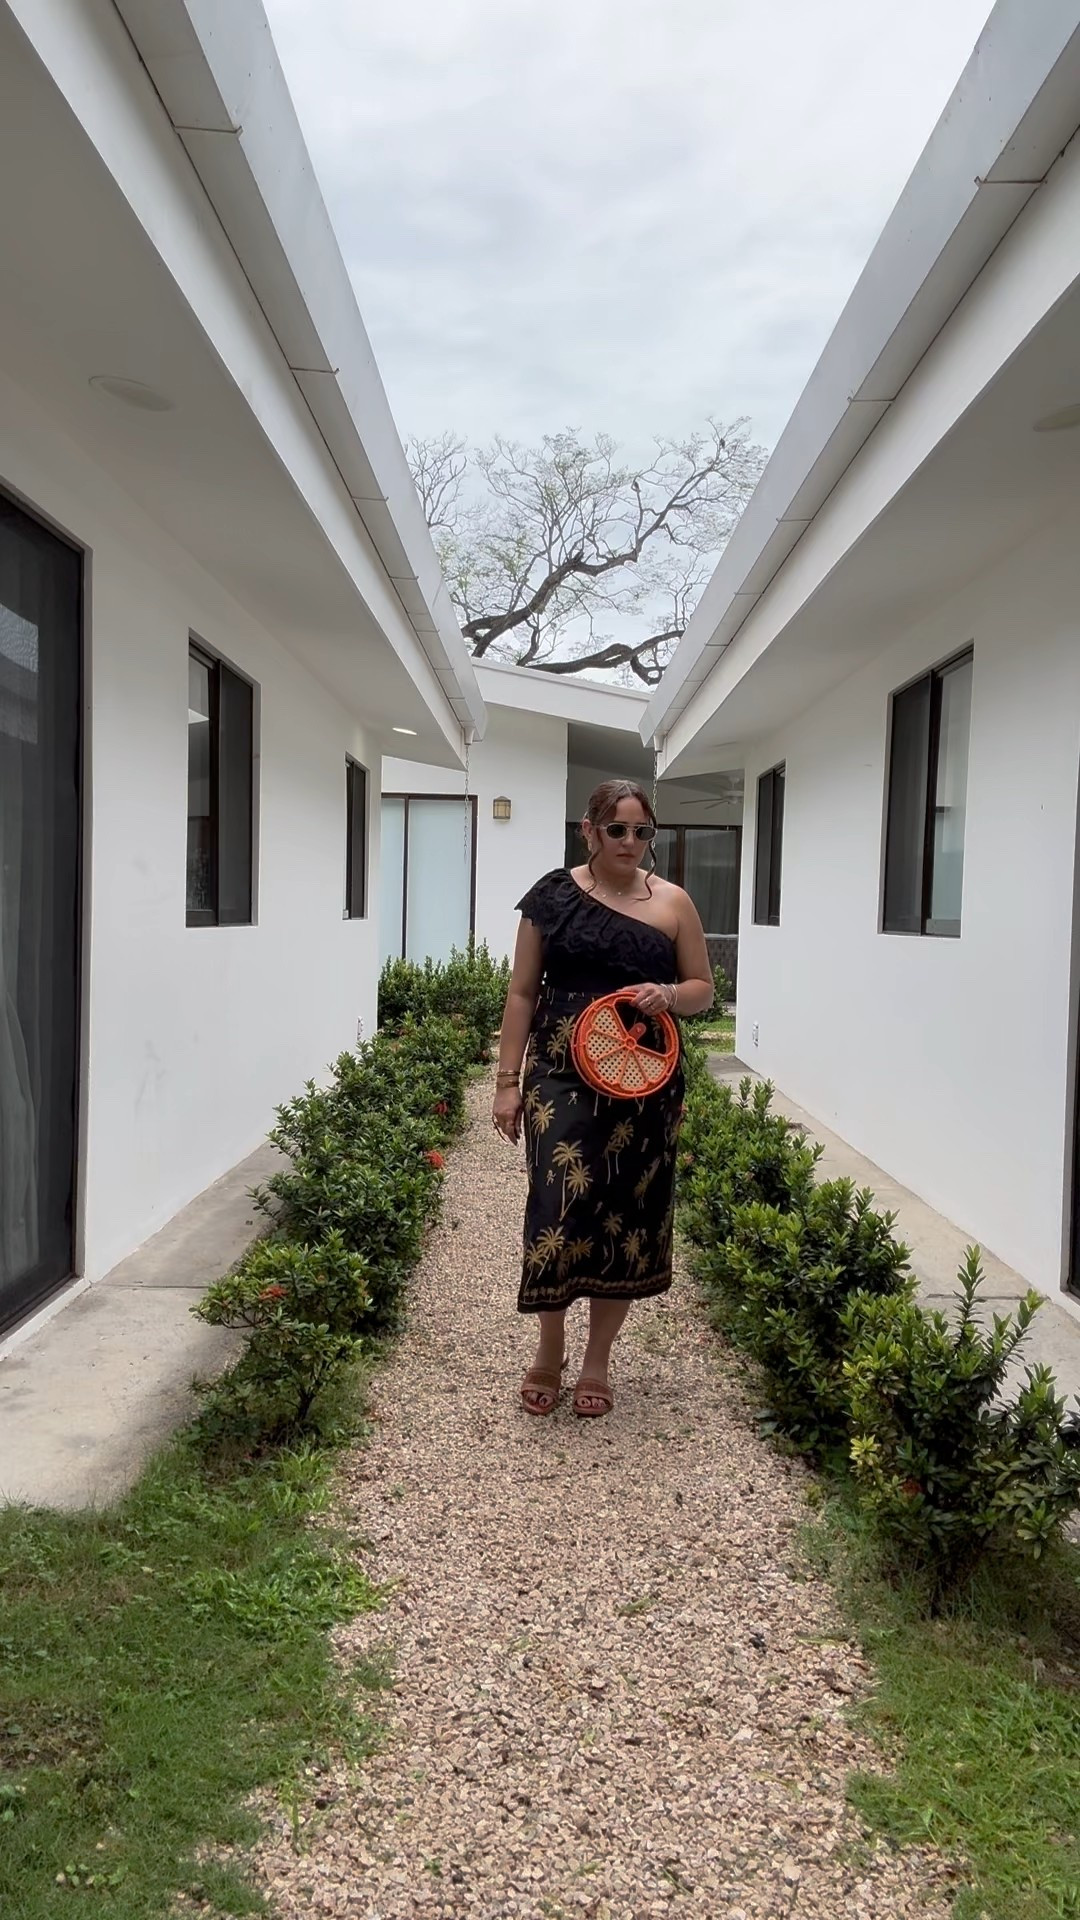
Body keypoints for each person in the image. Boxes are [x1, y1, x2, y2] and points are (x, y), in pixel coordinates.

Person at [492, 778, 714, 1417]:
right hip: (560, 1071)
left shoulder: (674, 903)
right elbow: (521, 994)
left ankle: (597, 1362)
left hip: (643, 1080)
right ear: (588, 830)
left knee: (627, 1217)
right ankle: (550, 1343)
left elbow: (702, 987)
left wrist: (668, 995)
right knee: (557, 1205)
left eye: (642, 831)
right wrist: (508, 1084)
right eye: (616, 829)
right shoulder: (553, 897)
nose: (630, 842)